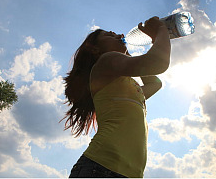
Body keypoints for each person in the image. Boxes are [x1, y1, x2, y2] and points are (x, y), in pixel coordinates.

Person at [61, 16, 171, 178]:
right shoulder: (105, 61)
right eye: (109, 35)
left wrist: (130, 50)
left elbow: (155, 83)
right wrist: (161, 30)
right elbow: (157, 63)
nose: (117, 35)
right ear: (94, 49)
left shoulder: (127, 87)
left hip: (124, 173)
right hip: (101, 168)